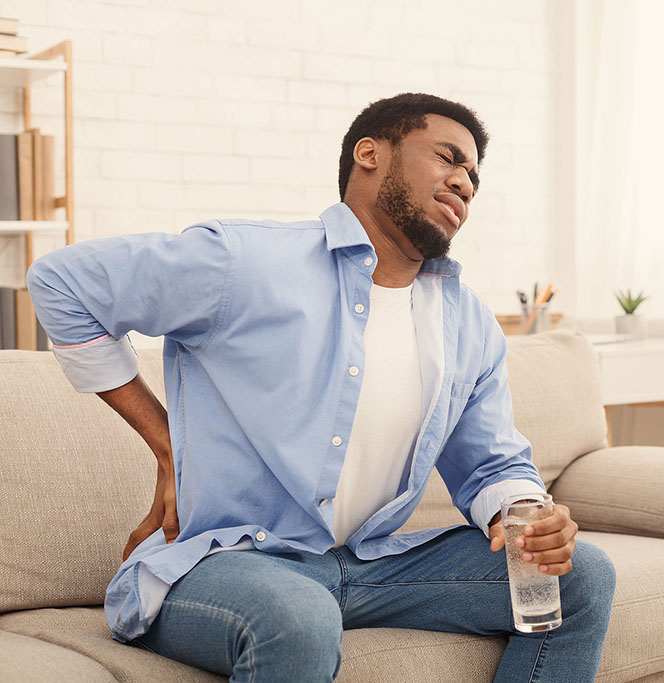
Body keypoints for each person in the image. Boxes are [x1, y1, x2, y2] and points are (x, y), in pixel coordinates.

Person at [27, 93, 615, 682]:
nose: (464, 182)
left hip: (366, 565)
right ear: (370, 154)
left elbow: (491, 464)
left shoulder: (468, 324)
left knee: (579, 579)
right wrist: (166, 444)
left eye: (473, 178)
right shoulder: (247, 262)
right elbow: (62, 284)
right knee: (299, 614)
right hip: (227, 562)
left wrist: (528, 515)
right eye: (447, 157)